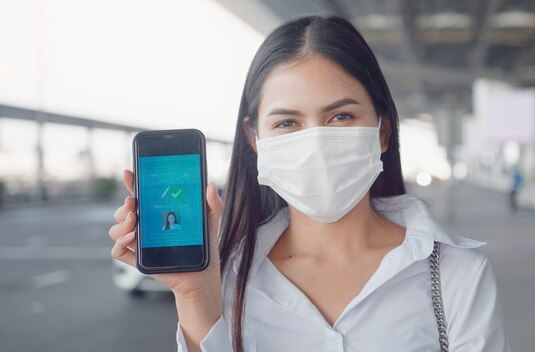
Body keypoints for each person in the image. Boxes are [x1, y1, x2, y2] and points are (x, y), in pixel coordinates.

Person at [109, 15, 509, 352]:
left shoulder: (457, 273)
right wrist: (194, 294)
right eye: (287, 123)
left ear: (382, 131)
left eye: (341, 117)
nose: (316, 142)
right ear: (255, 140)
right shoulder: (226, 276)